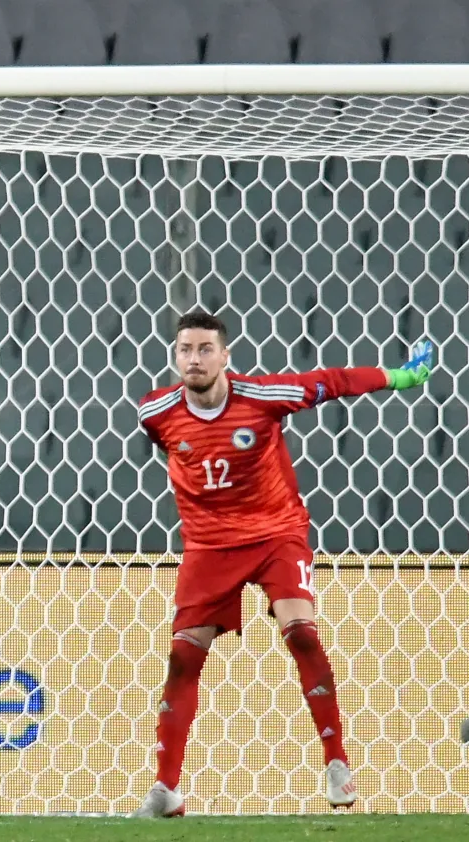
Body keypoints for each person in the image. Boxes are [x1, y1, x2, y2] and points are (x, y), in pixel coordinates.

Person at [132, 311, 434, 817]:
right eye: (185, 349)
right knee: (183, 657)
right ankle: (166, 788)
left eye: (205, 349)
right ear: (175, 355)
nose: (194, 359)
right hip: (208, 547)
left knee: (302, 633)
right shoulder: (155, 411)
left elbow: (332, 382)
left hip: (276, 534)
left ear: (225, 356)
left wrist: (399, 377)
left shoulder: (262, 397)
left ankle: (336, 762)